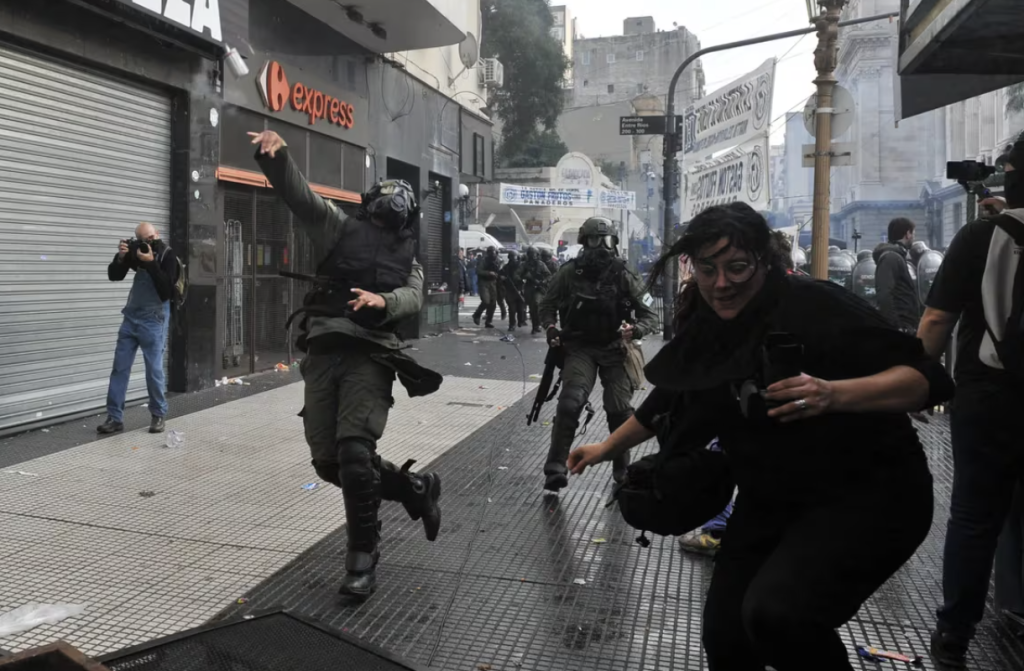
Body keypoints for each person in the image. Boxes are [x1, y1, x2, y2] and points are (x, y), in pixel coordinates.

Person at [567, 202, 952, 671]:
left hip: (872, 494)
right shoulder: (709, 323)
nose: (721, 284)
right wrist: (606, 448)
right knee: (726, 634)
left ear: (764, 261)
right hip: (772, 498)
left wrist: (833, 394)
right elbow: (668, 399)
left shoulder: (816, 304)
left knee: (779, 615)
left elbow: (925, 381)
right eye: (708, 269)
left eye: (737, 268)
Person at [249, 129, 442, 600]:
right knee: (329, 463)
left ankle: (362, 555)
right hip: (323, 353)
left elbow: (412, 297)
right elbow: (301, 197)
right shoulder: (339, 228)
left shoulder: (408, 261)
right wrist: (276, 158)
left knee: (356, 455)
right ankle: (415, 489)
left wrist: (383, 300)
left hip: (371, 356)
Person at [918, 140, 1024, 670]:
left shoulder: (983, 234)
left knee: (975, 515)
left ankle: (954, 634)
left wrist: (914, 381)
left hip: (991, 395)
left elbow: (937, 320)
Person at [539, 216, 659, 491]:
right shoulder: (569, 273)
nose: (601, 247)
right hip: (580, 347)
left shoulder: (624, 273)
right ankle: (555, 469)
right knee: (570, 403)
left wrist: (636, 330)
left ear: (614, 243)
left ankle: (622, 470)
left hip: (615, 348)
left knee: (619, 410)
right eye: (594, 240)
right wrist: (550, 327)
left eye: (606, 241)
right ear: (584, 242)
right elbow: (547, 304)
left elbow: (650, 314)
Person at [98, 222, 178, 435]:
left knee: (154, 370)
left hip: (154, 319)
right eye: (143, 240)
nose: (148, 243)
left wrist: (151, 263)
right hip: (131, 318)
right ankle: (114, 418)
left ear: (157, 234)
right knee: (119, 368)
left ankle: (158, 414)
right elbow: (114, 275)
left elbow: (166, 292)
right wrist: (122, 258)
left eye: (151, 238)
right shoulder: (136, 253)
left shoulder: (168, 256)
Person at [874, 218, 923, 333]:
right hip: (901, 326)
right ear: (907, 234)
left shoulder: (897, 256)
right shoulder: (890, 257)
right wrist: (896, 326)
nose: (914, 237)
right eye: (913, 233)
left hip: (905, 325)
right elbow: (884, 294)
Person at [521, 246, 552, 334]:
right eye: (530, 254)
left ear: (537, 254)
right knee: (532, 308)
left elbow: (549, 275)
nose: (532, 256)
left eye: (533, 254)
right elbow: (517, 275)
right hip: (529, 287)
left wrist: (543, 281)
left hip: (539, 288)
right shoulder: (524, 264)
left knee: (537, 304)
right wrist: (524, 277)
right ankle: (535, 326)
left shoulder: (541, 264)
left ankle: (538, 324)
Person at [473, 247, 500, 328]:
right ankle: (477, 315)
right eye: (491, 253)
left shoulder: (497, 261)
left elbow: (498, 270)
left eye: (494, 253)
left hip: (493, 283)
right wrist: (489, 273)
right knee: (486, 301)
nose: (493, 255)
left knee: (493, 304)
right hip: (484, 283)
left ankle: (488, 321)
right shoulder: (483, 261)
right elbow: (478, 271)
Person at [502, 250, 528, 332]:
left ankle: (521, 321)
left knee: (521, 309)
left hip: (520, 289)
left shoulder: (522, 266)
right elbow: (501, 275)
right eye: (511, 257)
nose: (513, 259)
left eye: (514, 257)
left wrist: (523, 280)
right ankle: (512, 324)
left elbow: (526, 275)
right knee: (512, 309)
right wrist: (503, 278)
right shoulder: (506, 267)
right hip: (510, 290)